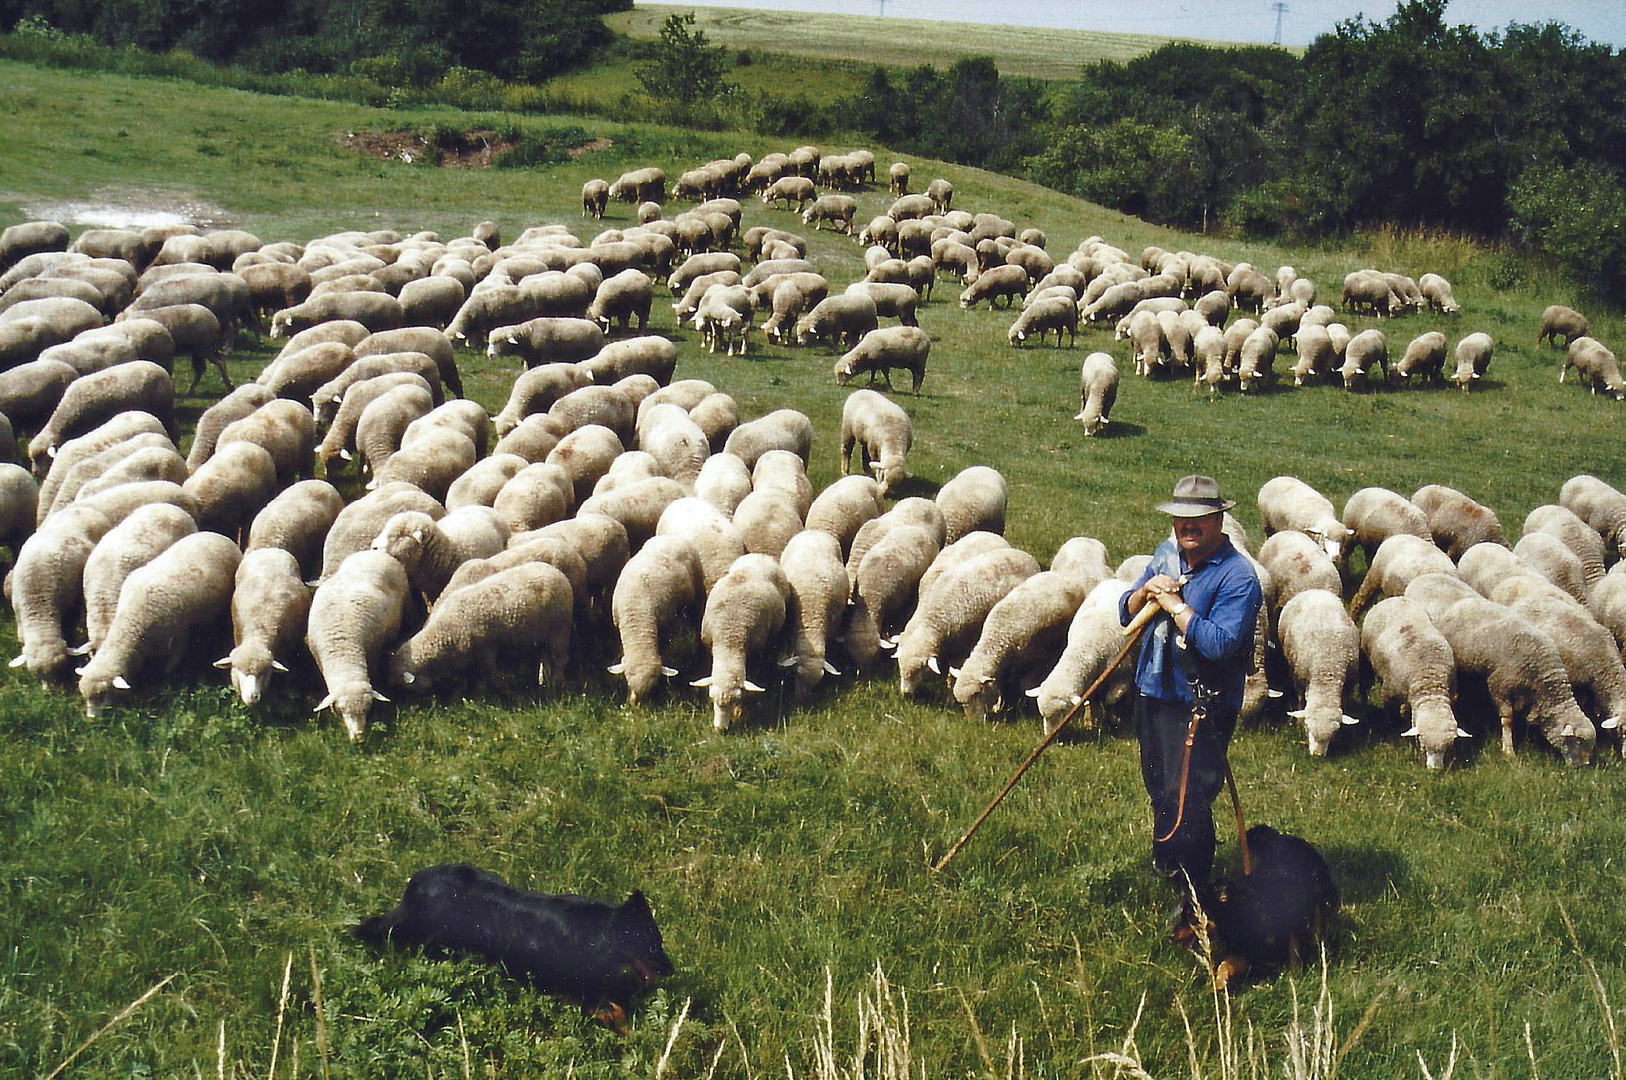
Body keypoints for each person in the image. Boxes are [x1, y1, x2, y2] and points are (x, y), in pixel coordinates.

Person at [1118, 475, 1263, 942]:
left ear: (1219, 520)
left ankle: (1196, 894)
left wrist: (1177, 607)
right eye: (1182, 518)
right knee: (1158, 785)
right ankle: (1166, 862)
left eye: (1200, 519)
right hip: (1153, 689)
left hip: (1201, 705)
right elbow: (1126, 611)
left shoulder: (1238, 577)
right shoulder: (1165, 553)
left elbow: (1221, 643)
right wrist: (1146, 593)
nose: (1189, 527)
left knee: (1192, 801)